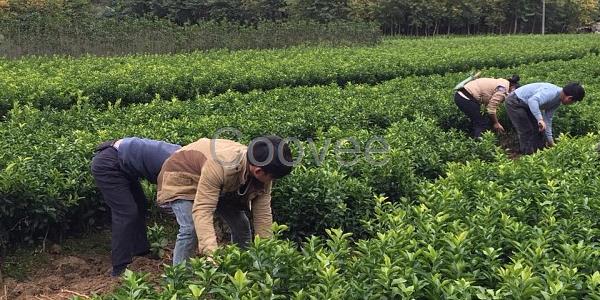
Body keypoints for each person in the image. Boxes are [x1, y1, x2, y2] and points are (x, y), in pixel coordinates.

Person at [156, 136, 293, 265]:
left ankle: (242, 267)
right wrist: (212, 255)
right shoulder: (221, 166)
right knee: (190, 228)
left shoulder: (263, 167)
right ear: (258, 171)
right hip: (181, 177)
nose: (272, 181)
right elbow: (203, 209)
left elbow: (263, 213)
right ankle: (179, 280)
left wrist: (266, 255)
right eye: (273, 178)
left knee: (241, 224)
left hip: (219, 184)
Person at [91, 137, 181, 277]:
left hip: (123, 163)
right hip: (108, 164)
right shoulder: (179, 166)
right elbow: (165, 201)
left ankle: (140, 250)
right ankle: (119, 266)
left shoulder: (184, 154)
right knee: (126, 213)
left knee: (140, 205)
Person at [506, 82, 585, 155]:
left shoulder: (557, 101)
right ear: (569, 98)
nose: (571, 104)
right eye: (573, 102)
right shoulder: (551, 93)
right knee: (527, 130)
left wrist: (550, 141)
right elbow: (532, 101)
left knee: (537, 128)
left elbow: (548, 119)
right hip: (515, 102)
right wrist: (540, 119)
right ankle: (527, 156)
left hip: (525, 104)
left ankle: (538, 153)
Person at [454, 74, 521, 138]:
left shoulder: (503, 82)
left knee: (479, 119)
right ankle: (479, 145)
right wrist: (496, 123)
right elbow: (491, 109)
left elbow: (489, 103)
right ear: (512, 86)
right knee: (482, 123)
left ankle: (473, 137)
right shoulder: (503, 89)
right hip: (465, 98)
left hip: (462, 96)